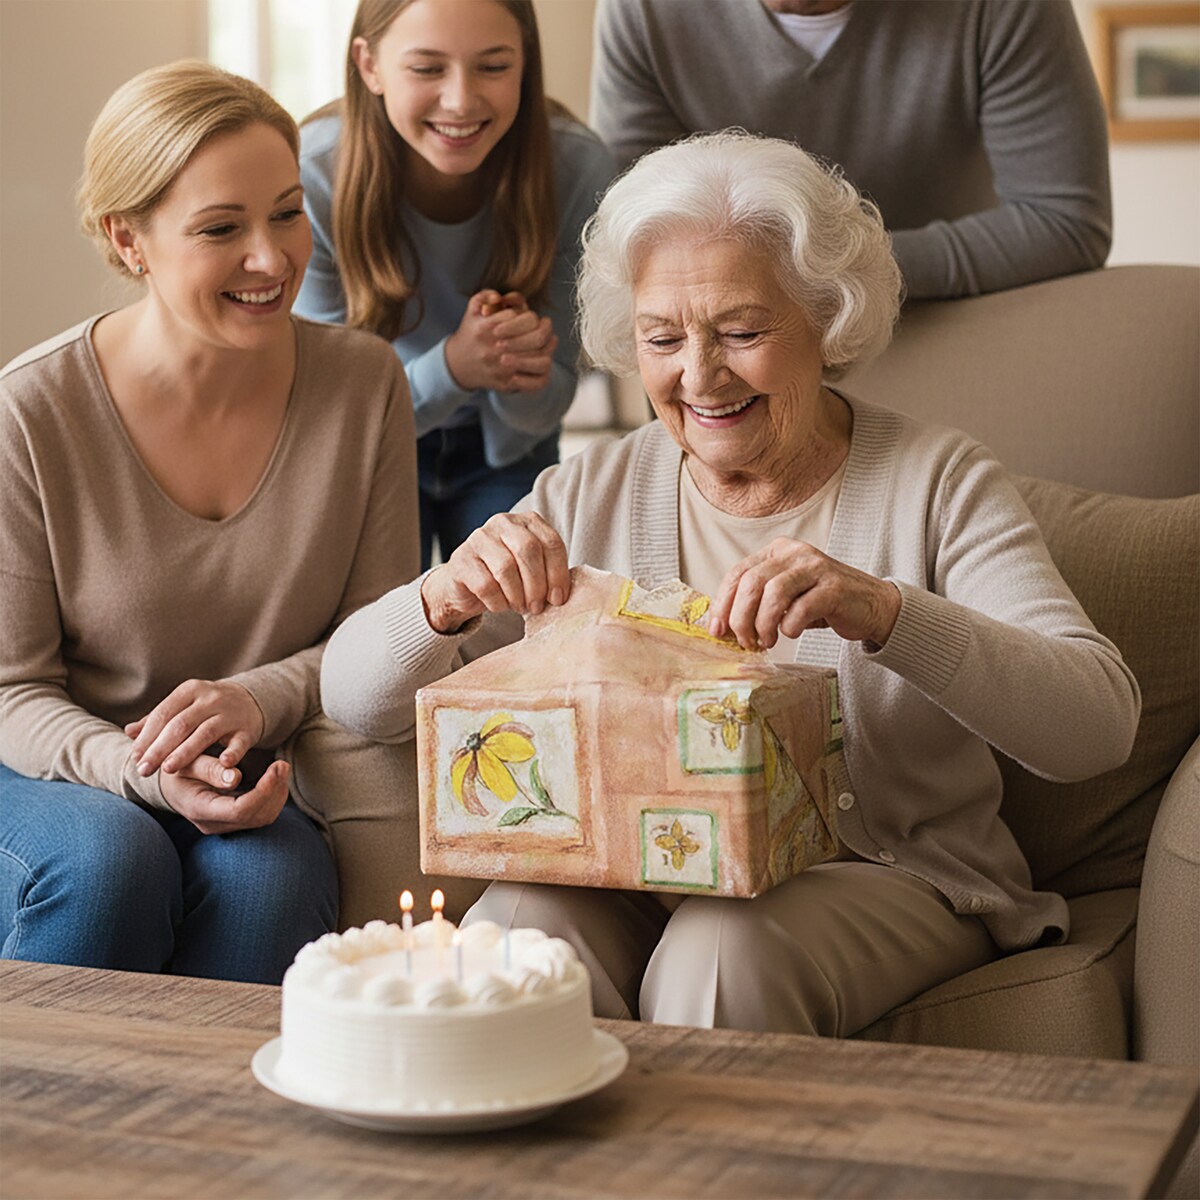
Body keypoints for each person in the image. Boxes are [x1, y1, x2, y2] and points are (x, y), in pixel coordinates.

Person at [319, 131, 1141, 1035]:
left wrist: (889, 614)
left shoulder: (937, 482)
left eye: (743, 333)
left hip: (891, 876)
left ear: (827, 320)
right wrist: (440, 599)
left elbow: (1096, 724)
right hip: (631, 876)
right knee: (519, 934)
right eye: (662, 338)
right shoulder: (590, 490)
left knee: (724, 944)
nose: (700, 375)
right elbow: (355, 702)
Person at [0, 61, 421, 984]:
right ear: (130, 239)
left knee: (271, 885)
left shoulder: (364, 385)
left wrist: (253, 699)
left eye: (285, 211)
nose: (272, 259)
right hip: (56, 769)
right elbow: (12, 691)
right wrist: (144, 772)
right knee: (113, 860)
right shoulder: (31, 411)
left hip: (247, 777)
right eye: (221, 229)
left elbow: (377, 639)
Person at [295, 0, 616, 569]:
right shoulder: (315, 174)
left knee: (515, 627)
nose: (461, 100)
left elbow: (553, 398)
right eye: (426, 68)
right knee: (388, 636)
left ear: (526, 62)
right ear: (369, 64)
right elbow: (333, 413)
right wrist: (455, 366)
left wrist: (514, 371)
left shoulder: (574, 168)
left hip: (508, 451)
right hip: (371, 452)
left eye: (493, 66)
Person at [590, 0, 1112, 301]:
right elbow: (631, 232)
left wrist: (819, 271)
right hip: (732, 332)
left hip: (949, 322)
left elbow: (1065, 223)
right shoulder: (642, 10)